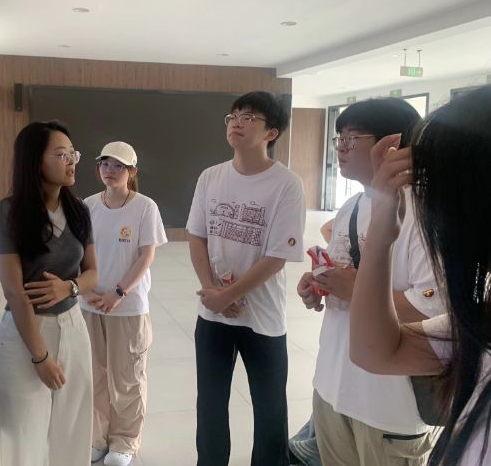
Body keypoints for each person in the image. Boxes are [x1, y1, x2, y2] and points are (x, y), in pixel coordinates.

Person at [296, 98, 446, 466]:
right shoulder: (351, 207)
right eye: (339, 139)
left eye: (352, 139)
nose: (340, 149)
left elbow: (434, 311)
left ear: (392, 145)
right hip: (332, 387)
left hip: (389, 407)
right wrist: (318, 286)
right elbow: (343, 278)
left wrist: (353, 288)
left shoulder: (423, 213)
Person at [350, 85, 491, 466]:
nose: (429, 205)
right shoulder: (481, 321)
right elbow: (374, 351)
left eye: (438, 186)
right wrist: (381, 233)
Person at [186, 90, 306, 466]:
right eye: (233, 115)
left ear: (271, 132)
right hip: (213, 315)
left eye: (249, 117)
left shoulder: (286, 184)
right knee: (210, 406)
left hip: (263, 318)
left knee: (270, 410)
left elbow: (277, 256)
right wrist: (213, 291)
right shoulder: (211, 177)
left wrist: (228, 295)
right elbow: (196, 235)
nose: (236, 122)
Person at [0, 121, 101, 466]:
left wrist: (69, 287)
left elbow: (93, 275)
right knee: (22, 435)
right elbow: (14, 292)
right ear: (35, 160)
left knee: (73, 429)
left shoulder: (79, 211)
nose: (72, 161)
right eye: (62, 154)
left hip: (72, 326)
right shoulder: (6, 213)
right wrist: (40, 357)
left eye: (73, 154)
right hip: (25, 334)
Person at [81, 141, 167, 466]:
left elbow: (146, 255)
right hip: (91, 304)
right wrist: (86, 291)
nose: (110, 170)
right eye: (105, 164)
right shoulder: (88, 205)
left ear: (132, 172)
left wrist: (118, 293)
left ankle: (125, 441)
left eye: (119, 165)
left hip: (127, 306)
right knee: (95, 375)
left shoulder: (145, 207)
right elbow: (79, 251)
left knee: (127, 376)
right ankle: (97, 437)